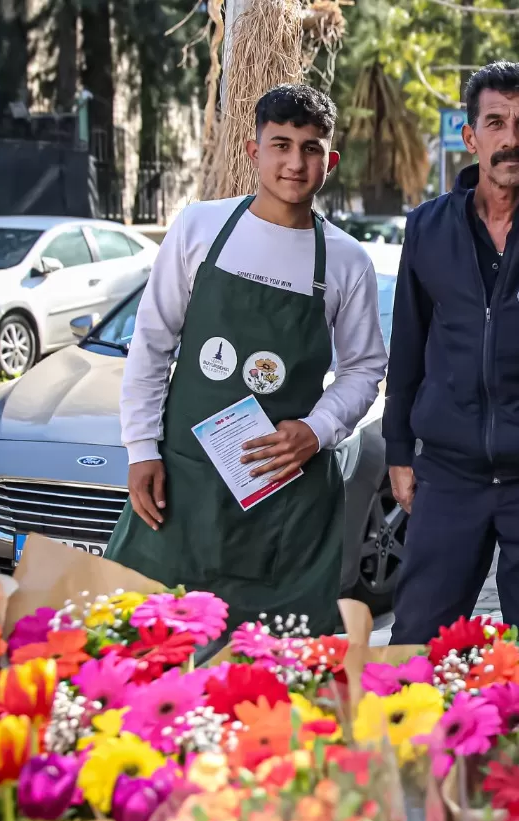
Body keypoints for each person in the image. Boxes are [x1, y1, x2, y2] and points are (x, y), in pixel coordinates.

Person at [106, 84, 387, 636]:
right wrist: (141, 449)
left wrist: (317, 428)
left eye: (310, 148)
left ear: (330, 161)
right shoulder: (199, 228)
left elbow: (363, 368)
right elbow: (152, 342)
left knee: (275, 666)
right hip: (183, 486)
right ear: (251, 149)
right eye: (280, 144)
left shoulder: (347, 261)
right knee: (147, 643)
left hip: (287, 495)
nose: (294, 162)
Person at [384, 62, 519, 642]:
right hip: (450, 476)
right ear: (471, 135)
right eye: (496, 122)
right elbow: (407, 346)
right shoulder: (427, 229)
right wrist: (399, 448)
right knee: (416, 644)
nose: (511, 138)